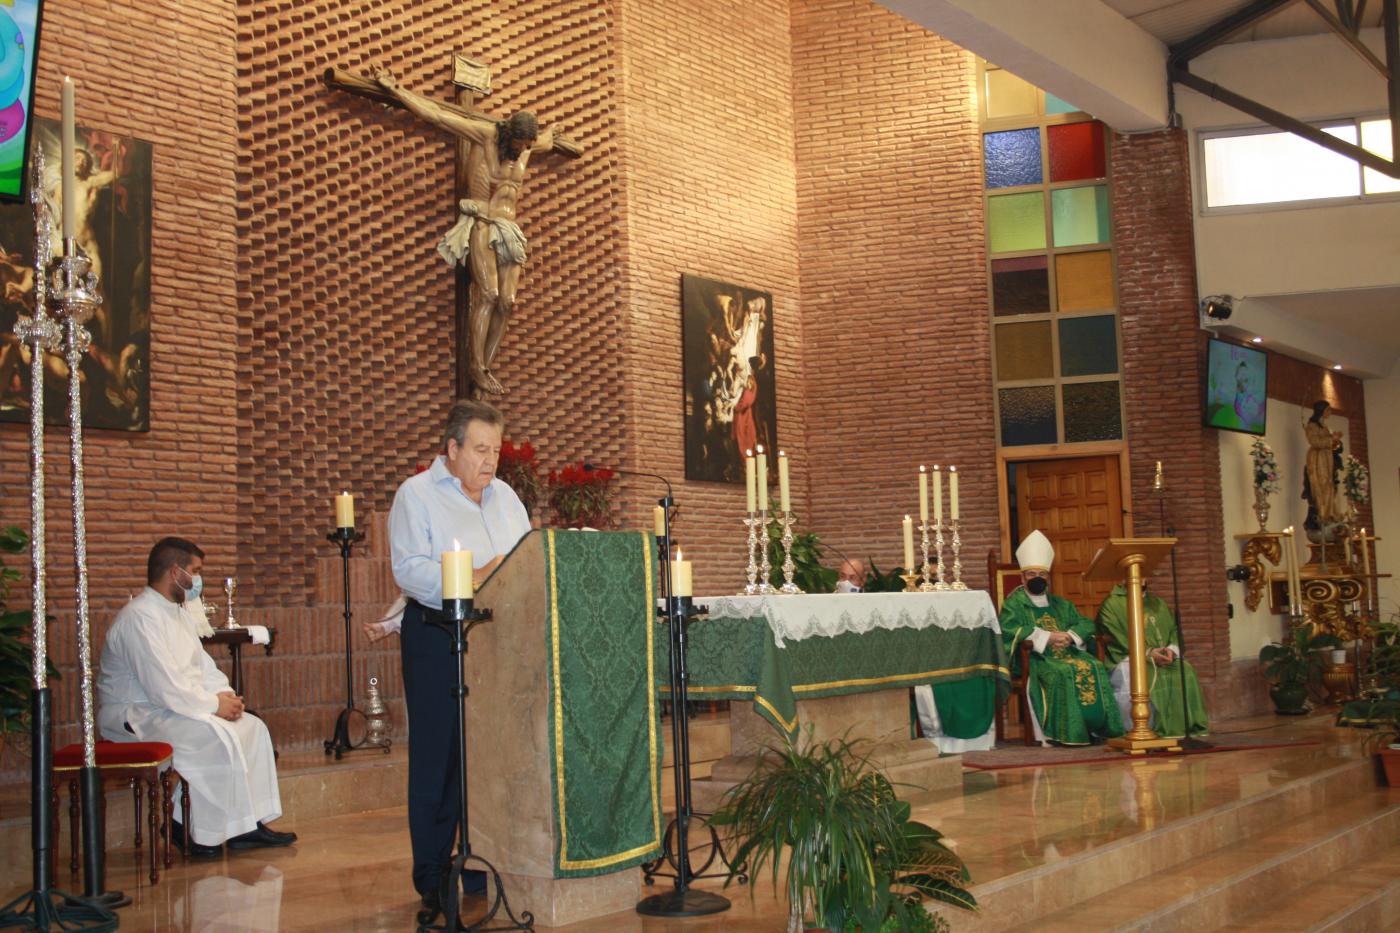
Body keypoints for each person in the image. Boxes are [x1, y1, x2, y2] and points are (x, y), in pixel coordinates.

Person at [389, 399, 532, 917]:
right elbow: (410, 570)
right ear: (451, 449)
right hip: (436, 635)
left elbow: (525, 559)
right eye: (479, 449)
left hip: (496, 640)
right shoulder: (417, 495)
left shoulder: (507, 498)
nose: (490, 460)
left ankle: (480, 860)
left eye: (495, 450)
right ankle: (431, 871)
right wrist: (475, 575)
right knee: (440, 756)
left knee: (488, 753)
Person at [97, 537, 294, 857]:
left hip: (172, 707)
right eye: (196, 571)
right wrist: (214, 706)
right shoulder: (140, 618)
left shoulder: (178, 613)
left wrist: (226, 697)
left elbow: (204, 668)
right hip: (136, 715)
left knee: (252, 727)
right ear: (175, 572)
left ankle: (246, 826)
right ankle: (192, 830)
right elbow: (163, 686)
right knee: (213, 737)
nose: (199, 580)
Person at [375, 71, 554, 396]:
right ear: (509, 135)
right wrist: (398, 90)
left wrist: (552, 134)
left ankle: (484, 365)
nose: (522, 150)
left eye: (527, 145)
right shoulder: (485, 136)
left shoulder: (526, 149)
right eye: (519, 144)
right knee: (487, 294)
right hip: (484, 223)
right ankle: (476, 366)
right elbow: (438, 116)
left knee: (508, 301)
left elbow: (550, 141)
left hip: (510, 230)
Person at [999, 530, 1123, 746]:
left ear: (1048, 577)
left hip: (1067, 652)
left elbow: (1085, 623)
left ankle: (1098, 729)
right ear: (1022, 577)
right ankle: (1069, 732)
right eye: (1031, 574)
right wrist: (1047, 637)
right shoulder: (1014, 604)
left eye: (1042, 574)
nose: (1037, 578)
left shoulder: (1060, 603)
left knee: (1094, 665)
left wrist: (1069, 636)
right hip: (1036, 659)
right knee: (1063, 672)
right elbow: (1010, 629)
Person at [1095, 584, 1209, 738]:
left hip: (1163, 656)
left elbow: (1174, 630)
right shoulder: (1112, 604)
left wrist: (1171, 649)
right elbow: (1116, 635)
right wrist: (1148, 653)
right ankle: (1157, 727)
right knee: (1147, 671)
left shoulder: (1158, 603)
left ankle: (1188, 726)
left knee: (1185, 669)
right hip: (1129, 658)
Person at [1303, 400, 1344, 526]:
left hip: (1326, 458)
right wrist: (1332, 439)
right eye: (1328, 410)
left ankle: (1330, 513)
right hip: (1317, 459)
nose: (1330, 413)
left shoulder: (1324, 426)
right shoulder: (1312, 426)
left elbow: (1328, 442)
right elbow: (1314, 441)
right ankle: (1323, 514)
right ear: (1321, 411)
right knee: (1321, 485)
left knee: (1329, 483)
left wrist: (1336, 441)